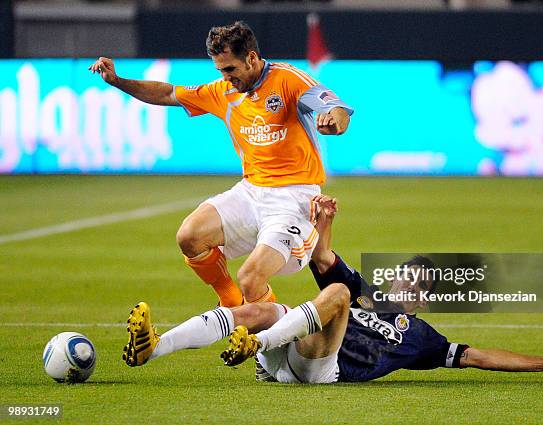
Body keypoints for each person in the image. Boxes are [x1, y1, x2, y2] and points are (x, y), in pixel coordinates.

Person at [123, 197, 543, 386]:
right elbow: (322, 258)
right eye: (405, 274)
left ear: (424, 297)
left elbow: (478, 356)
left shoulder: (418, 336)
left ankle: (258, 345)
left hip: (323, 367)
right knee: (262, 308)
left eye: (418, 282)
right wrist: (325, 220)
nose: (408, 280)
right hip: (289, 351)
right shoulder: (370, 291)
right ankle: (154, 347)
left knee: (337, 298)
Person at [89, 21, 353, 315]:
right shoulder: (223, 92)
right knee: (189, 236)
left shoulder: (288, 79)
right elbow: (167, 94)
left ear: (251, 58)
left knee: (252, 279)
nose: (226, 78)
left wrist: (333, 123)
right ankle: (230, 299)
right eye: (220, 71)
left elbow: (338, 109)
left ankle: (275, 341)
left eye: (230, 69)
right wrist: (118, 81)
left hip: (295, 198)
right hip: (251, 191)